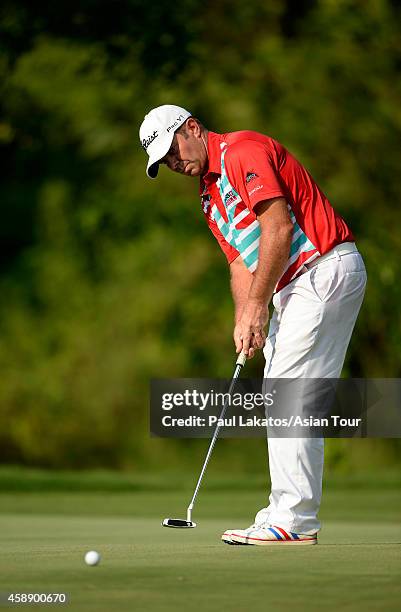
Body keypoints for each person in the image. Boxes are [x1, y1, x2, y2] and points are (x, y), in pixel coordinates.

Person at [139, 105, 367, 546]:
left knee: (287, 393)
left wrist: (260, 306)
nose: (174, 164)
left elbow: (277, 229)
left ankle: (293, 518)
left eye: (172, 151)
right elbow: (241, 264)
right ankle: (292, 515)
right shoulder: (208, 196)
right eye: (164, 162)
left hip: (321, 269)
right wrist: (246, 317)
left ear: (192, 128)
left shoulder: (243, 151)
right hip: (298, 285)